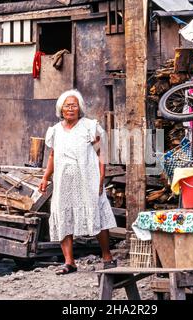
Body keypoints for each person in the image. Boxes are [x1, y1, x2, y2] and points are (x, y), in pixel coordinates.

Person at [39, 89, 117, 275]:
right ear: (61, 109)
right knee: (62, 214)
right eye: (67, 105)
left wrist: (101, 177)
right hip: (63, 182)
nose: (71, 108)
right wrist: (45, 177)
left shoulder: (89, 126)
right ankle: (69, 262)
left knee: (95, 211)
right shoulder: (55, 131)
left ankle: (107, 257)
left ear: (79, 108)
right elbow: (52, 155)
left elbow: (101, 152)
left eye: (74, 105)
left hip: (87, 178)